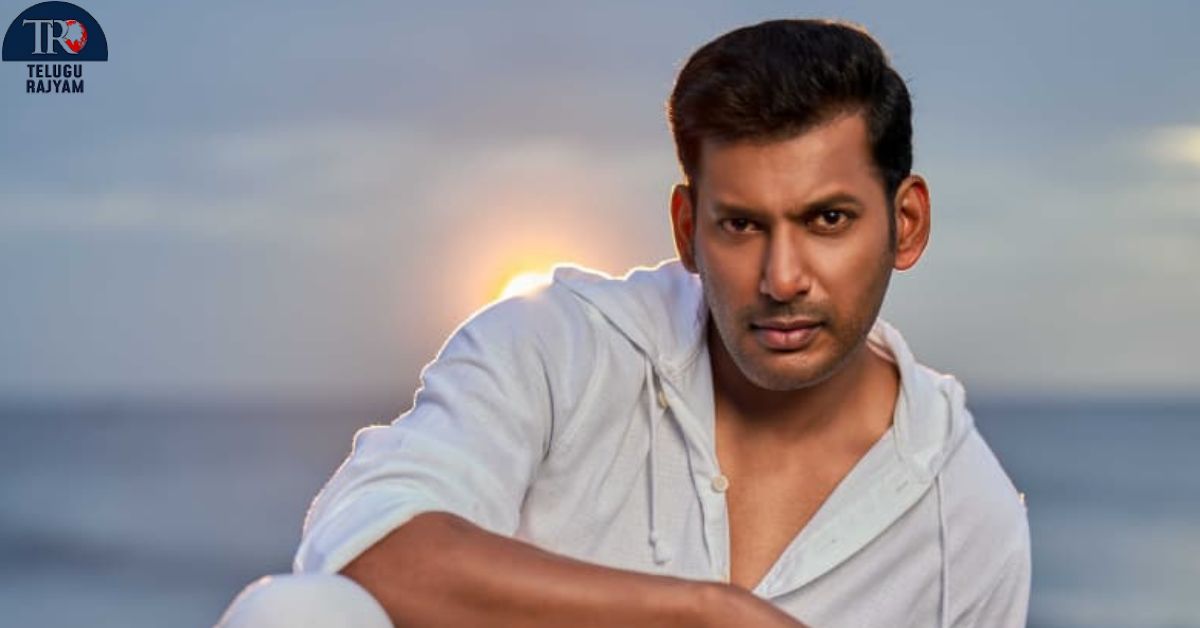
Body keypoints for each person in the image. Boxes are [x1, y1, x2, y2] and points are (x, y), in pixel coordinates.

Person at [219, 18, 1030, 628]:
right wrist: (701, 613)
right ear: (687, 230)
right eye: (741, 225)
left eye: (827, 220)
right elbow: (363, 549)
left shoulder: (965, 515)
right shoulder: (556, 348)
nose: (782, 278)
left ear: (906, 224)